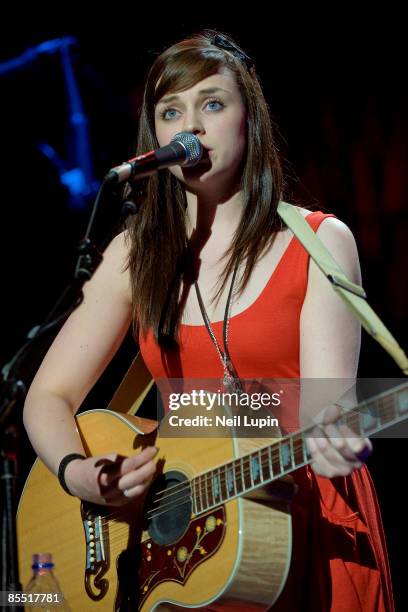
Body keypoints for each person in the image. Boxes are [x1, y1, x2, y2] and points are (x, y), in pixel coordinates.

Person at [23, 29, 394, 611]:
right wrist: (78, 474)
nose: (189, 127)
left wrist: (336, 440)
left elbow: (328, 408)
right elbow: (46, 394)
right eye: (171, 112)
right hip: (181, 545)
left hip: (301, 526)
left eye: (212, 105)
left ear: (250, 120)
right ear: (155, 136)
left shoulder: (319, 242)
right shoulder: (133, 254)